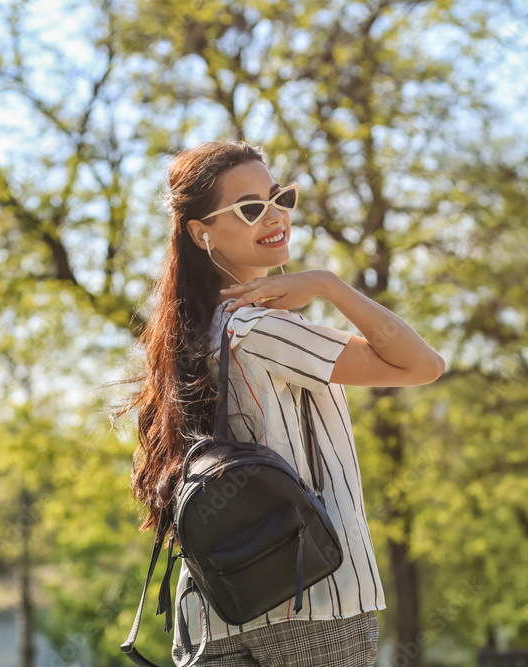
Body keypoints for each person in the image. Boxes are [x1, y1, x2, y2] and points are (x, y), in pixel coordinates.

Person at [118, 139, 445, 666]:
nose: (275, 217)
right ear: (202, 233)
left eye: (280, 198)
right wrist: (327, 285)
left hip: (211, 610)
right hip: (313, 597)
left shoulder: (185, 338)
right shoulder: (259, 329)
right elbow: (422, 364)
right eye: (250, 209)